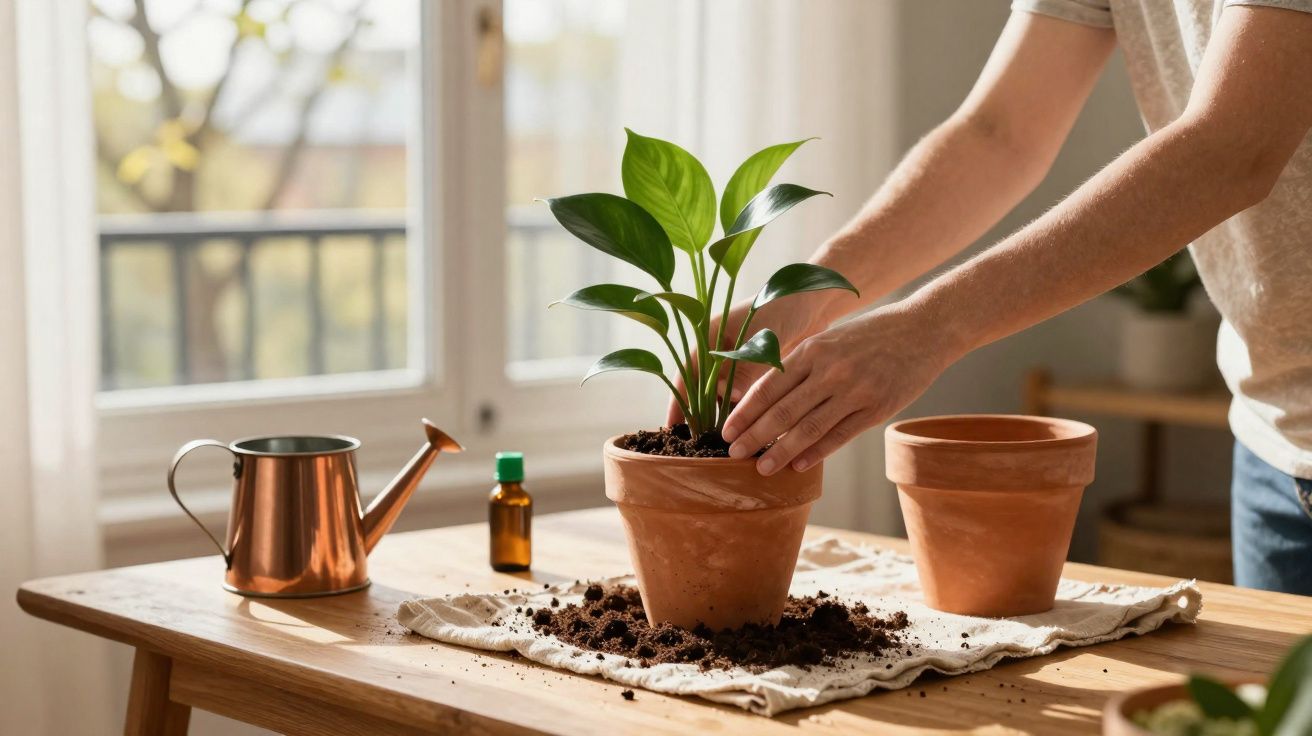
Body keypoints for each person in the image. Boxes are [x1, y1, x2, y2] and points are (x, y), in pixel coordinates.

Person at [672, 1, 1312, 595]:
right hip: (1270, 432)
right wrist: (810, 295)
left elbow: (1234, 145)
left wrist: (925, 329)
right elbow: (999, 133)